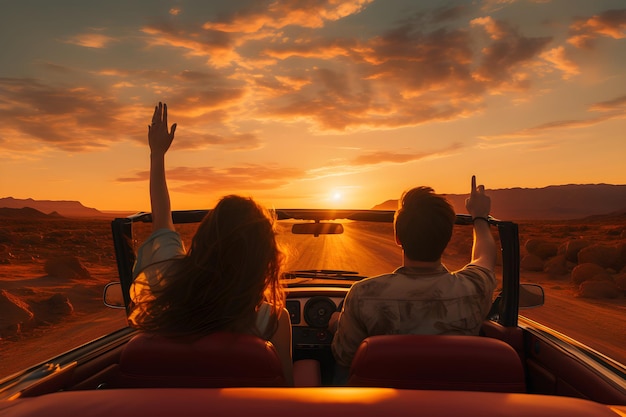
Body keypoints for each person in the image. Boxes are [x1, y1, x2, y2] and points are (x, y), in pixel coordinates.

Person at [129, 102, 294, 385]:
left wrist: (157, 154)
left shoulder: (169, 281)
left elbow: (162, 219)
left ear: (205, 238)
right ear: (262, 257)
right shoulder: (270, 319)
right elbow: (284, 389)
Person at [329, 176, 497, 374]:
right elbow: (485, 255)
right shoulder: (474, 287)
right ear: (448, 238)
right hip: (454, 401)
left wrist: (335, 324)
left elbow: (345, 357)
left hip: (383, 402)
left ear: (397, 238)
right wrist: (480, 216)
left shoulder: (361, 294)